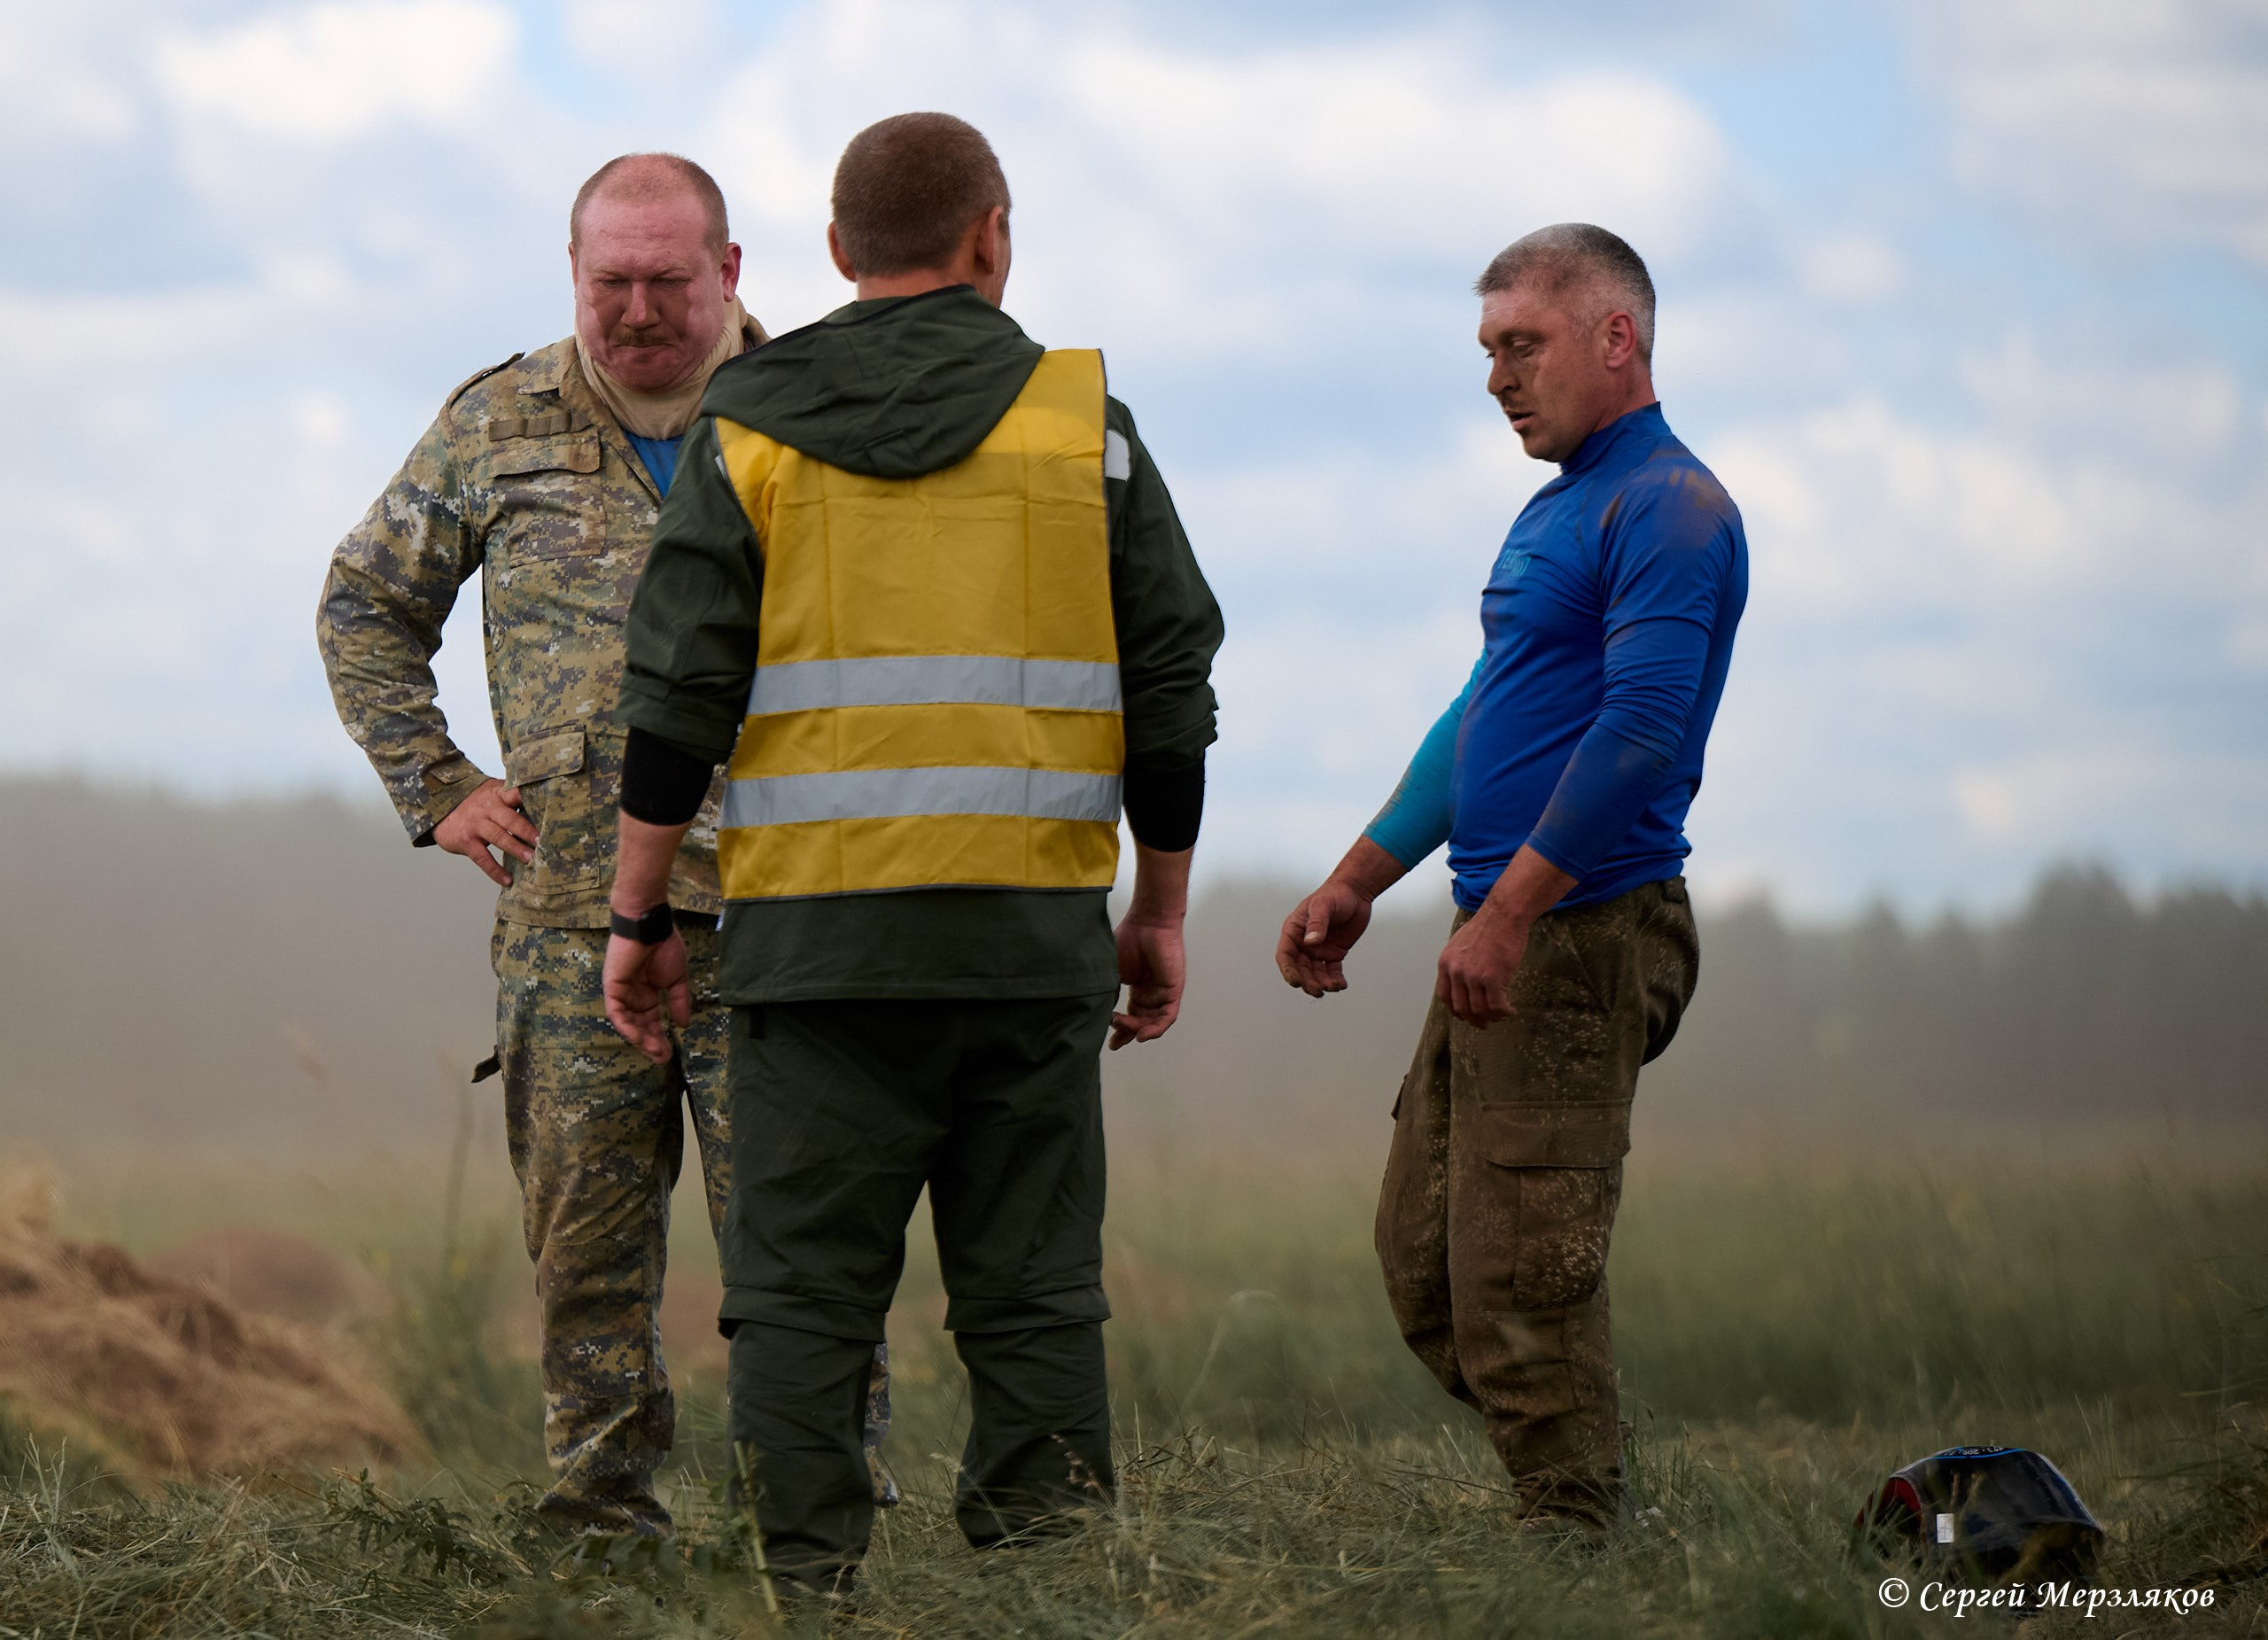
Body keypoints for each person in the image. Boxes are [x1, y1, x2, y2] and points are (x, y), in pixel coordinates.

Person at [602, 112, 1223, 1597]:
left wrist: (637, 914)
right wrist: (1158, 913)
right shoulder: (1084, 425)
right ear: (992, 234)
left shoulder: (747, 425)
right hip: (1030, 949)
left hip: (817, 961)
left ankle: (805, 1594)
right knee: (1035, 1293)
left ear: (834, 250)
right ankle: (1047, 1597)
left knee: (800, 1298)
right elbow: (1170, 687)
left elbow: (677, 694)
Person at [317, 152, 888, 1538]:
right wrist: (438, 784)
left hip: (789, 914)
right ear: (573, 274)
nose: (637, 311)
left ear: (730, 272)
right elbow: (363, 606)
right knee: (585, 1255)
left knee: (802, 1253)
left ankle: (818, 1532)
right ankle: (602, 1528)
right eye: (609, 282)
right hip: (572, 921)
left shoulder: (822, 412)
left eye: (667, 282)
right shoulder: (496, 420)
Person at [1276, 224, 1747, 1531]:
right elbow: (1482, 715)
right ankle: (1595, 1496)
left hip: (1584, 930)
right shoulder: (1558, 509)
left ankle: (1582, 1541)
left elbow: (1643, 731)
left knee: (1524, 1282)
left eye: (1524, 346)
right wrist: (1360, 878)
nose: (1498, 378)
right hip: (1500, 931)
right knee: (1426, 1268)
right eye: (1489, 351)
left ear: (1617, 336)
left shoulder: (1672, 507)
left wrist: (1510, 916)